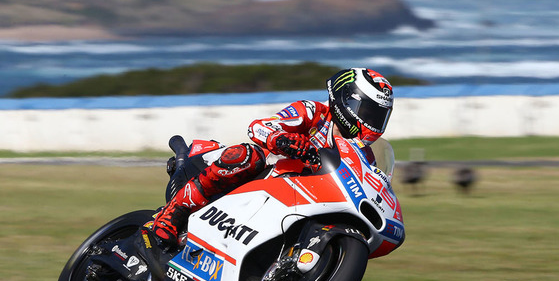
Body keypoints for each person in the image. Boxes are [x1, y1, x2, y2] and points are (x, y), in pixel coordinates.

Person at [149, 67, 394, 248]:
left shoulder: (364, 155)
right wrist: (283, 140)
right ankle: (174, 213)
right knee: (248, 155)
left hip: (294, 199)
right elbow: (258, 128)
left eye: (379, 117)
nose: (373, 123)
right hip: (259, 174)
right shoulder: (312, 113)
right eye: (369, 113)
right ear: (347, 101)